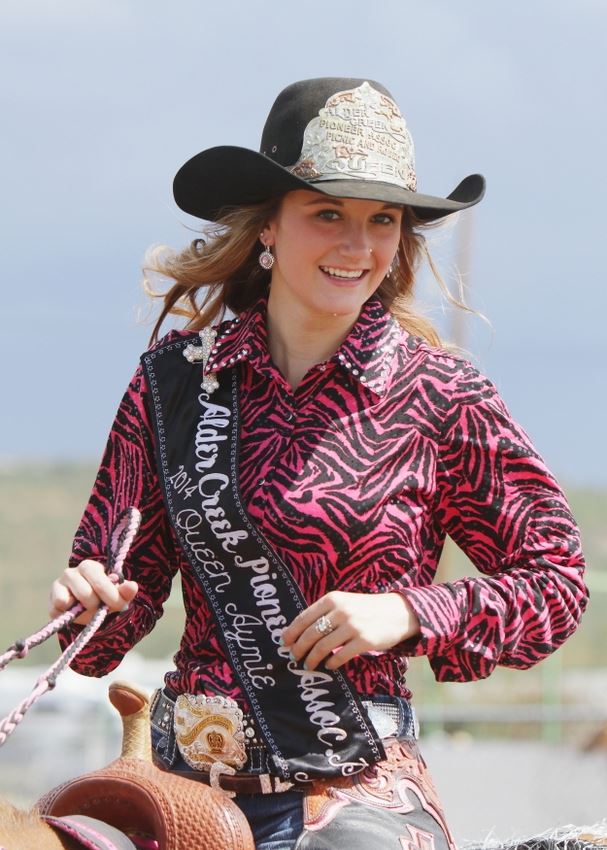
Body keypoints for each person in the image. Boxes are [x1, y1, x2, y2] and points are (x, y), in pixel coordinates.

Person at [49, 77, 588, 850]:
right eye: (327, 213)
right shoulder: (169, 384)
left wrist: (407, 612)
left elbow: (555, 581)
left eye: (382, 221)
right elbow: (105, 629)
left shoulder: (442, 395)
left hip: (356, 786)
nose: (357, 245)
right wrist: (86, 599)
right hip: (180, 783)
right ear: (268, 227)